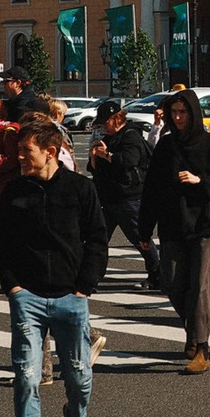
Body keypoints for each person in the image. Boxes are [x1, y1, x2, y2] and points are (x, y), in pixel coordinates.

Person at [0, 120, 112, 417]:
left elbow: (97, 239)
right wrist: (12, 286)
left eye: (26, 151)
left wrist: (84, 287)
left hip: (71, 297)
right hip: (28, 298)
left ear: (50, 152)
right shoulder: (13, 192)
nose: (18, 157)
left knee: (79, 378)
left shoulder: (80, 189)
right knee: (26, 377)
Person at [140, 87, 210, 374]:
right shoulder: (166, 147)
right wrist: (144, 231)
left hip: (206, 225)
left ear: (193, 113)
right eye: (174, 113)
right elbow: (151, 190)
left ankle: (201, 347)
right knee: (172, 282)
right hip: (173, 224)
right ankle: (193, 331)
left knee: (201, 288)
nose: (178, 118)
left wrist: (200, 180)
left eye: (183, 112)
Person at [89, 98, 159, 290]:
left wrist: (106, 155)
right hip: (107, 196)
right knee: (98, 238)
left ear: (116, 119)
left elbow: (129, 161)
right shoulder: (108, 138)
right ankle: (92, 277)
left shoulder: (131, 136)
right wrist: (94, 158)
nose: (103, 127)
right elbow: (98, 168)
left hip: (129, 196)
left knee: (140, 238)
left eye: (106, 122)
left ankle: (157, 274)